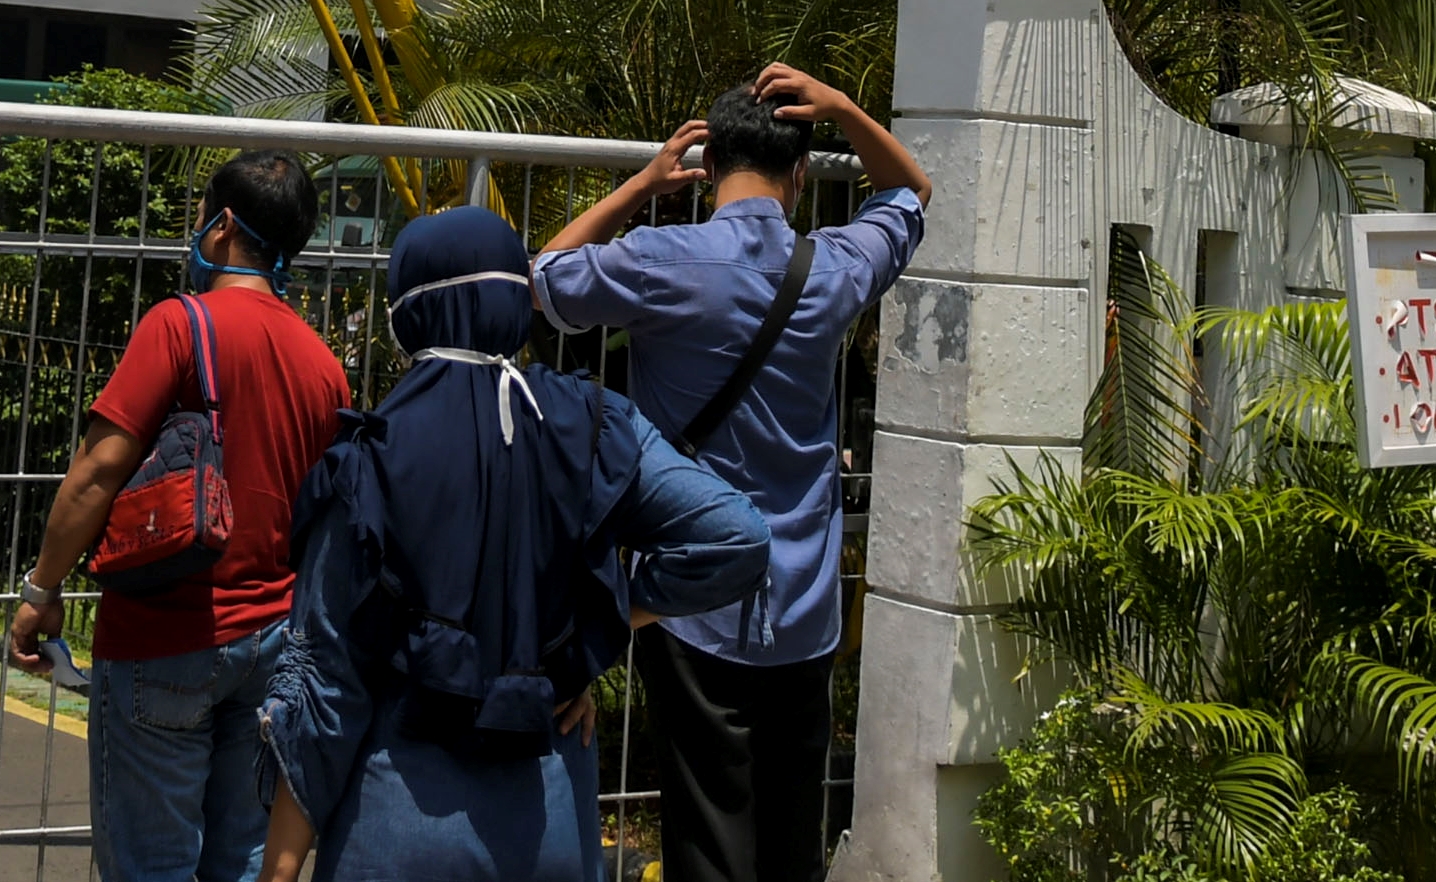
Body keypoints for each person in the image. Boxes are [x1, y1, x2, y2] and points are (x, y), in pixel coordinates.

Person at [256, 206, 770, 882]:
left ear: (410, 313)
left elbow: (324, 679)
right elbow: (735, 539)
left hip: (398, 825)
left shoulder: (367, 455)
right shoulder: (599, 424)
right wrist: (592, 632)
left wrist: (280, 867)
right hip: (550, 821)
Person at [531, 65, 932, 882]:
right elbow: (911, 193)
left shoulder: (657, 260)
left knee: (707, 829)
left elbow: (545, 281)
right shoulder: (835, 266)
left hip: (691, 592)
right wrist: (846, 107)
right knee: (793, 831)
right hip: (805, 599)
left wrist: (641, 185)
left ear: (705, 166)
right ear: (800, 174)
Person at [4, 151, 348, 882]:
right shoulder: (323, 363)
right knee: (240, 864)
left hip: (162, 635)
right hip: (272, 640)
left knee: (150, 865)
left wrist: (41, 590)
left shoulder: (177, 325)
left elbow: (98, 470)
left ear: (221, 226)